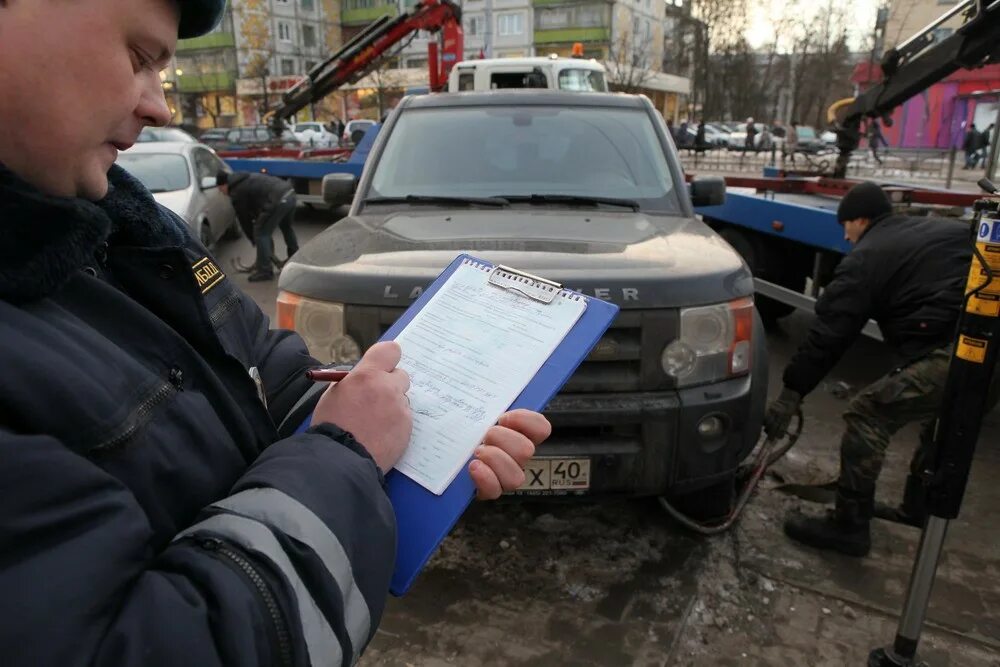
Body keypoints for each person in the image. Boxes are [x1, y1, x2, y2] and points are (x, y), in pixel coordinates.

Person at [0, 1, 547, 665]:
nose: (159, 108)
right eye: (141, 58)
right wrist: (347, 450)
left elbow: (260, 366)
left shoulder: (124, 228)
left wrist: (416, 428)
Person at [763, 182, 989, 558]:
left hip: (961, 347)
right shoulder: (931, 229)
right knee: (944, 420)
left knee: (868, 414)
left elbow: (829, 333)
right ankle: (917, 509)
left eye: (846, 226)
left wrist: (791, 393)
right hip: (989, 340)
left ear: (861, 220)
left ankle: (849, 526)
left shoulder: (866, 256)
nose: (846, 237)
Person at [216, 170, 299, 281]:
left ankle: (265, 271)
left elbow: (244, 218)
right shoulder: (245, 178)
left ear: (225, 184)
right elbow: (256, 206)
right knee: (286, 227)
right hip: (289, 193)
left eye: (221, 189)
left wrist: (254, 238)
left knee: (261, 233)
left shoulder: (236, 191)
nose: (221, 192)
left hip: (278, 199)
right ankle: (296, 259)